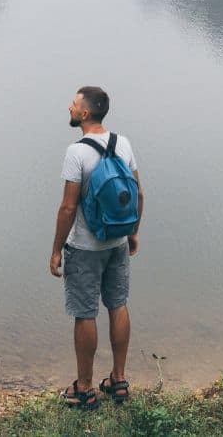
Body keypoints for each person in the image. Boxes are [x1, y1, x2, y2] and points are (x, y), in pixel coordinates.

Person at [49, 85, 141, 409]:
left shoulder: (77, 152)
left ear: (84, 113)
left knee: (85, 313)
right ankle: (118, 381)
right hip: (117, 241)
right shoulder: (123, 143)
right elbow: (137, 193)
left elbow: (67, 208)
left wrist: (56, 249)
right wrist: (133, 232)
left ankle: (85, 388)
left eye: (73, 105)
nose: (69, 108)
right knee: (118, 305)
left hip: (85, 248)